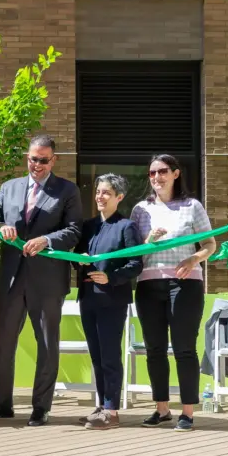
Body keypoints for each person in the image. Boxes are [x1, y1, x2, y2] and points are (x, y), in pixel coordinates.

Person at [0, 134, 82, 426]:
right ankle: (0, 403)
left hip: (47, 281)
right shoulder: (9, 188)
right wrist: (1, 228)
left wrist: (47, 240)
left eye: (44, 160)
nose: (38, 165)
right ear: (27, 157)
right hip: (10, 279)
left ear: (53, 160)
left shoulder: (67, 191)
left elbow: (74, 231)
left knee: (46, 345)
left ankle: (40, 407)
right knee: (2, 343)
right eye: (33, 159)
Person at [131, 154, 216, 432]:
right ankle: (162, 409)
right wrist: (149, 241)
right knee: (154, 350)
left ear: (176, 173)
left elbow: (210, 244)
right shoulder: (140, 209)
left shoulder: (192, 206)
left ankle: (188, 412)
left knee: (184, 349)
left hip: (186, 284)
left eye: (163, 171)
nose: (157, 177)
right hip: (147, 285)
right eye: (152, 173)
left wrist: (193, 260)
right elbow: (134, 253)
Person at [74, 174, 143, 431]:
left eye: (106, 193)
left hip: (111, 299)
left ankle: (112, 410)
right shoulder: (88, 225)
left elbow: (135, 263)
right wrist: (78, 261)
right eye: (98, 192)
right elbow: (75, 258)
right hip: (88, 296)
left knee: (110, 354)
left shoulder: (126, 226)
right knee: (96, 354)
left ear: (119, 197)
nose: (100, 197)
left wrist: (110, 277)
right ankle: (101, 405)